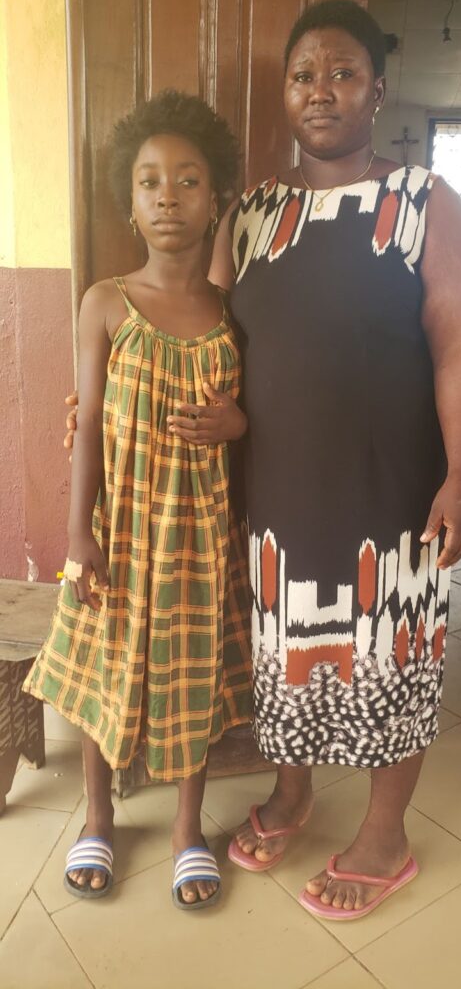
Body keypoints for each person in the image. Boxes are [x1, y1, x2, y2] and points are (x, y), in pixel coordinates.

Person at [63, 0, 461, 921]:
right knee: (283, 660)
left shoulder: (425, 201)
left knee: (395, 659)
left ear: (377, 90)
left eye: (342, 73)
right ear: (285, 98)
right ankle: (292, 792)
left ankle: (383, 837)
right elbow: (205, 335)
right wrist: (109, 398)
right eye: (303, 76)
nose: (321, 91)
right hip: (275, 501)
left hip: (392, 495)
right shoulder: (253, 211)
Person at [24, 89, 252, 910]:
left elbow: (262, 422)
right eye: (151, 181)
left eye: (188, 180)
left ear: (216, 198)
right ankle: (97, 817)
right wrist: (77, 533)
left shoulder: (234, 316)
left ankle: (189, 829)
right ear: (131, 202)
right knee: (102, 675)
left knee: (189, 682)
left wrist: (237, 423)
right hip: (117, 532)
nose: (168, 196)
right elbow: (84, 426)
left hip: (199, 540)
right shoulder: (105, 304)